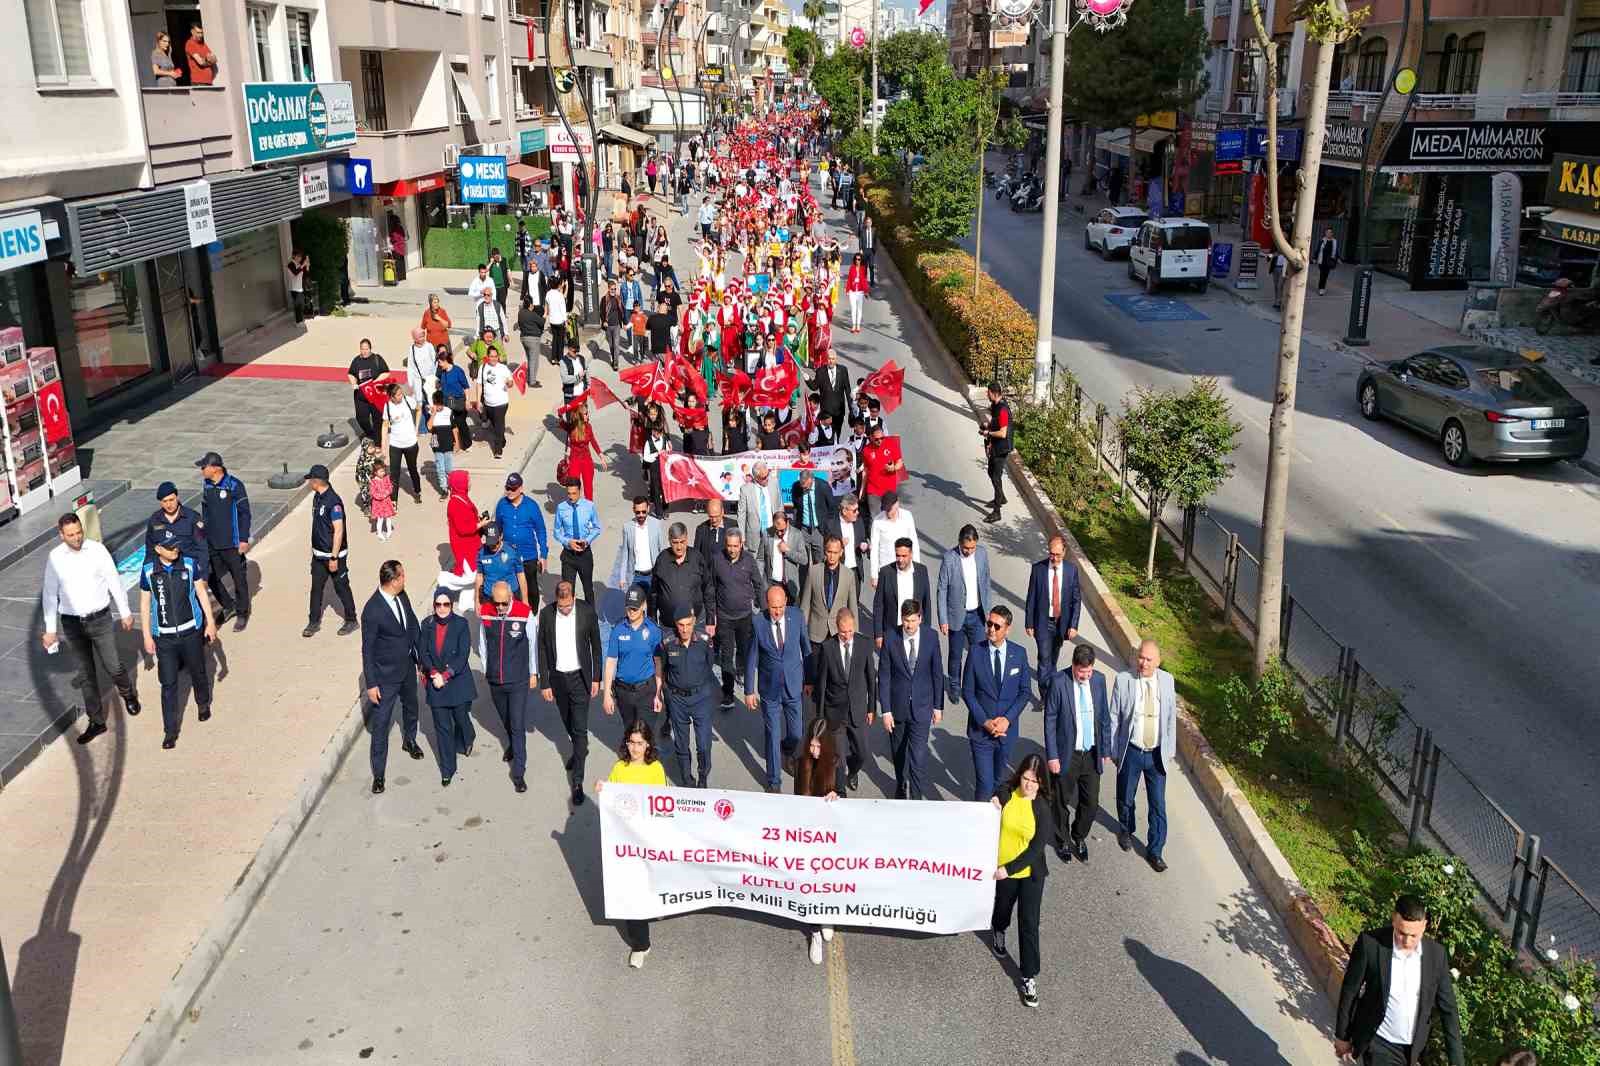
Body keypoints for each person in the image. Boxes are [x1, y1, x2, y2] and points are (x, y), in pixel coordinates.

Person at [41, 513, 141, 742]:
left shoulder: (97, 550)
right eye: (70, 535)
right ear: (61, 535)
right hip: (72, 624)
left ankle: (129, 694)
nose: (76, 538)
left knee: (113, 665)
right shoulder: (55, 558)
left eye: (78, 533)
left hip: (100, 619)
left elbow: (114, 580)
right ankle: (97, 721)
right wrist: (50, 629)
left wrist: (125, 612)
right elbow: (49, 593)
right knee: (86, 675)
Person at [1335, 894, 1464, 1066]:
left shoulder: (1436, 955)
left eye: (1414, 935)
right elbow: (1350, 990)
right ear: (1394, 919)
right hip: (1378, 1041)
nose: (1407, 941)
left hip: (1412, 1049)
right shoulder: (1371, 944)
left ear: (1424, 925)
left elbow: (1448, 1009)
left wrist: (1457, 1061)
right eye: (1402, 933)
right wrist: (1342, 1036)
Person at [594, 720, 667, 967]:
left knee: (647, 885)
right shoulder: (620, 767)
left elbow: (661, 804)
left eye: (640, 743)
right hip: (625, 843)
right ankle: (640, 945)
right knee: (629, 892)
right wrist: (603, 788)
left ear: (648, 745)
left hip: (647, 839)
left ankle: (652, 908)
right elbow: (613, 795)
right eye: (631, 742)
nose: (635, 748)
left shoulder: (655, 769)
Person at [989, 754, 1055, 1010]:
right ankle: (998, 929)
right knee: (1002, 908)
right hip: (1002, 871)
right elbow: (1003, 790)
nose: (1028, 785)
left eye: (1034, 782)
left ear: (1041, 784)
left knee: (1029, 924)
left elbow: (1036, 849)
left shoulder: (1042, 809)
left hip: (1028, 874)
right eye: (1026, 779)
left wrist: (1009, 868)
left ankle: (1028, 976)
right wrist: (998, 798)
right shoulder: (1009, 792)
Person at [1109, 639, 1178, 872]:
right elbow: (1114, 717)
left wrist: (1169, 752)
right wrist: (1114, 750)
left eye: (1149, 659)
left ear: (1158, 662)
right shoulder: (1124, 680)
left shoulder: (1167, 682)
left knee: (1158, 805)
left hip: (1156, 754)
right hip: (1132, 751)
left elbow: (1170, 719)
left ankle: (1155, 850)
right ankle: (1126, 830)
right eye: (1141, 657)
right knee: (1126, 796)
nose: (1143, 662)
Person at [536, 580, 604, 806]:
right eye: (561, 606)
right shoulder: (546, 615)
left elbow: (596, 645)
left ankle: (577, 781)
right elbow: (542, 648)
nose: (564, 610)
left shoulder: (586, 612)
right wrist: (544, 682)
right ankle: (578, 750)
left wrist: (596, 678)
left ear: (573, 598)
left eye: (568, 606)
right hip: (558, 680)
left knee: (579, 727)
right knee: (567, 723)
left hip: (580, 678)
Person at [360, 560, 424, 794]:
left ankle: (410, 739)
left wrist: (421, 659)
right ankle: (379, 774)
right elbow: (367, 649)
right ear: (394, 580)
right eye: (403, 576)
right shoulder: (373, 610)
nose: (405, 579)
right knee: (381, 724)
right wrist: (371, 683)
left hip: (407, 667)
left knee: (411, 705)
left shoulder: (402, 596)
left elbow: (412, 626)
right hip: (385, 676)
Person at [1044, 643, 1111, 862]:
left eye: (1088, 672)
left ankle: (1079, 835)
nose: (1085, 676)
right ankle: (1062, 839)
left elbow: (1104, 718)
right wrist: (1052, 756)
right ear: (1073, 666)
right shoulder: (1058, 682)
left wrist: (1106, 750)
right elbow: (1050, 720)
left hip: (1091, 754)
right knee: (1061, 800)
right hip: (1067, 754)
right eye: (1081, 672)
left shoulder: (1099, 681)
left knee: (1090, 802)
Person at [876, 599, 944, 801]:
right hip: (897, 708)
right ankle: (901, 783)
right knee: (898, 753)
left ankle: (915, 799)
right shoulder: (891, 637)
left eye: (913, 621)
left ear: (920, 619)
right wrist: (886, 711)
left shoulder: (931, 637)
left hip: (922, 708)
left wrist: (938, 706)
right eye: (906, 621)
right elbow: (885, 675)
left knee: (918, 758)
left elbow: (937, 673)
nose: (909, 625)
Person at [963, 606, 1030, 802]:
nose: (991, 629)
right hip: (981, 732)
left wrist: (1007, 720)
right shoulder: (976, 652)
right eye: (989, 624)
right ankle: (980, 825)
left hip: (1006, 734)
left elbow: (1025, 692)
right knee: (984, 784)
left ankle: (997, 824)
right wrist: (985, 721)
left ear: (1007, 629)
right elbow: (967, 691)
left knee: (999, 783)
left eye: (997, 626)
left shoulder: (1019, 654)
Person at [745, 585, 807, 794]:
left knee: (797, 733)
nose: (777, 612)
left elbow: (805, 648)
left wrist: (810, 680)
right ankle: (773, 782)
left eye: (780, 607)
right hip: (769, 688)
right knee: (772, 734)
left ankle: (788, 750)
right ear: (767, 604)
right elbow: (752, 657)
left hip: (793, 685)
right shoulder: (757, 622)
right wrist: (748, 690)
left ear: (786, 603)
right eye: (773, 608)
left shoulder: (797, 617)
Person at [478, 579, 537, 792]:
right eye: (497, 603)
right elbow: (483, 642)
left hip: (518, 679)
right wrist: (486, 668)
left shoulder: (524, 613)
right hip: (496, 679)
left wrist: (533, 672)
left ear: (511, 597)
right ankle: (511, 742)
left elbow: (533, 644)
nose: (501, 608)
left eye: (504, 603)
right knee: (506, 719)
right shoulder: (486, 611)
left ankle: (519, 772)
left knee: (517, 724)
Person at [794, 714, 845, 963]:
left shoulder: (836, 765)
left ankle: (828, 916)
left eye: (817, 747)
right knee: (810, 885)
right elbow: (796, 799)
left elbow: (845, 798)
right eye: (810, 745)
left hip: (829, 837)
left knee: (827, 881)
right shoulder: (801, 763)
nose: (813, 751)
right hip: (807, 837)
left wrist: (838, 797)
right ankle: (814, 932)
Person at [809, 606, 875, 793]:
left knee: (862, 753)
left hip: (858, 710)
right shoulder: (827, 648)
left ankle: (852, 772)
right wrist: (820, 718)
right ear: (837, 628)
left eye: (850, 631)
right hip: (834, 712)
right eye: (843, 632)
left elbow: (871, 679)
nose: (847, 635)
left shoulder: (864, 644)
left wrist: (871, 708)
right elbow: (821, 685)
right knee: (838, 757)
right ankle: (840, 792)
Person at [418, 586, 476, 787]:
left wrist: (446, 675)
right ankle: (447, 769)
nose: (442, 608)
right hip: (436, 684)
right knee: (442, 729)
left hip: (457, 681)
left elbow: (462, 655)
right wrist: (433, 673)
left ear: (452, 605)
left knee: (461, 718)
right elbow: (423, 652)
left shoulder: (461, 624)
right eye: (438, 604)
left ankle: (468, 735)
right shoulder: (427, 624)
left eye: (446, 604)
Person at [656, 601, 716, 786]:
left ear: (694, 622)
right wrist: (662, 693)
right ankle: (687, 780)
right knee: (681, 745)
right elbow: (662, 668)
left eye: (688, 624)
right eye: (681, 625)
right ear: (675, 624)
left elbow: (709, 665)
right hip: (677, 700)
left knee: (704, 744)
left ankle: (703, 777)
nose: (684, 629)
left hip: (701, 698)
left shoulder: (705, 641)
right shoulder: (667, 643)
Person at [707, 529, 763, 711]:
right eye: (729, 546)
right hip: (724, 617)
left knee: (745, 652)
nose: (732, 550)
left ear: (741, 545)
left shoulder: (748, 560)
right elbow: (711, 588)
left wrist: (763, 610)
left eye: (735, 546)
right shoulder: (717, 560)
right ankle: (728, 693)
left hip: (745, 616)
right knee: (726, 655)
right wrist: (711, 615)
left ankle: (741, 672)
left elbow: (758, 583)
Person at [195, 452, 251, 631]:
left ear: (216, 468)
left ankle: (242, 612)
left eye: (204, 467)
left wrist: (243, 539)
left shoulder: (234, 486)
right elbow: (205, 508)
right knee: (209, 575)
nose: (202, 470)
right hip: (212, 542)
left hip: (232, 543)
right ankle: (228, 605)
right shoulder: (207, 485)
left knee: (238, 578)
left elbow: (244, 513)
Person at [937, 525, 993, 703]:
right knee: (955, 655)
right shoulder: (949, 558)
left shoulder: (982, 554)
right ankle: (955, 686)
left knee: (978, 653)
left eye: (972, 548)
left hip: (977, 615)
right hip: (956, 616)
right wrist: (943, 619)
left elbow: (986, 583)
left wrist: (989, 611)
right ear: (959, 543)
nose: (969, 551)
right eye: (966, 548)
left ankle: (973, 686)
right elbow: (942, 589)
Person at [302, 464, 359, 637]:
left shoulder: (333, 502)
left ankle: (351, 619)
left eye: (310, 479)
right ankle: (313, 622)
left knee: (341, 587)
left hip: (334, 556)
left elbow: (338, 530)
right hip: (319, 555)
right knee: (316, 589)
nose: (308, 482)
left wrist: (334, 557)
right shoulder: (317, 497)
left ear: (316, 481)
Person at [1024, 536, 1080, 703]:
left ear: (1064, 552)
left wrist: (1073, 625)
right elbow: (1031, 597)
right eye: (1051, 554)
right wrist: (1029, 623)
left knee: (1053, 659)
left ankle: (1050, 683)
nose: (1054, 558)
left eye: (1058, 554)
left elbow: (1076, 600)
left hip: (1061, 624)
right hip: (1042, 622)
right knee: (1044, 658)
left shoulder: (1071, 571)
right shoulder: (1038, 569)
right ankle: (1046, 695)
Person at [603, 585, 663, 739]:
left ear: (644, 606)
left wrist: (658, 692)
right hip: (624, 692)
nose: (631, 612)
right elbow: (610, 662)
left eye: (635, 608)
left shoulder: (653, 631)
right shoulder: (618, 630)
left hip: (646, 691)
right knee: (630, 733)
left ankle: (648, 760)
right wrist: (607, 694)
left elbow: (658, 663)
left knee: (645, 735)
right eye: (629, 608)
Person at [495, 472, 548, 613]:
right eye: (507, 488)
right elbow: (497, 528)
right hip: (508, 555)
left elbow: (541, 530)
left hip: (528, 557)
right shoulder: (501, 505)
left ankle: (532, 616)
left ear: (521, 489)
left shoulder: (531, 506)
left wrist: (543, 555)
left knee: (531, 587)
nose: (509, 492)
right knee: (511, 587)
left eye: (513, 489)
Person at [797, 534, 857, 655]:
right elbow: (805, 605)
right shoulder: (813, 571)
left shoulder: (849, 574)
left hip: (838, 632)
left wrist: (854, 635)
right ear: (825, 551)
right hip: (816, 633)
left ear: (841, 553)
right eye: (829, 552)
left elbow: (853, 607)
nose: (832, 556)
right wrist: (802, 632)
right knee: (815, 670)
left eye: (835, 552)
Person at [872, 538, 931, 650]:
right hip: (893, 630)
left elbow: (926, 602)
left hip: (915, 629)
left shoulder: (922, 571)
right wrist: (878, 634)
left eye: (904, 556)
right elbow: (878, 605)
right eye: (898, 555)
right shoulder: (886, 573)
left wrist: (926, 630)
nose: (900, 559)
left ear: (911, 554)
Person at [144, 481, 207, 580]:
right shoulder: (154, 520)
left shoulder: (192, 517)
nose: (169, 505)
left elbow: (202, 548)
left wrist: (204, 576)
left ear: (177, 497)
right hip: (165, 573)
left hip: (190, 570)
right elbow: (150, 550)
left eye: (171, 500)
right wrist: (146, 575)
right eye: (164, 501)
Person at [553, 476, 602, 602]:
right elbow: (556, 532)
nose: (571, 497)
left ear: (580, 491)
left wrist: (587, 540)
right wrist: (567, 542)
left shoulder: (589, 506)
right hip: (568, 555)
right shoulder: (561, 508)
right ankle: (571, 619)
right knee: (567, 591)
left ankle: (591, 619)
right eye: (569, 493)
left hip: (584, 554)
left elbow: (597, 528)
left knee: (588, 588)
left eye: (574, 493)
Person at [611, 496, 664, 611]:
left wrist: (663, 575)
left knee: (652, 607)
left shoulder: (656, 524)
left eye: (643, 512)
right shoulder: (627, 527)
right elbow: (625, 553)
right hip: (635, 576)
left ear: (648, 509)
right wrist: (622, 577)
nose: (641, 515)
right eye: (638, 512)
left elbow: (661, 551)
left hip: (652, 574)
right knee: (634, 608)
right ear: (633, 510)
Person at [651, 522, 709, 628]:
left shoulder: (697, 558)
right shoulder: (662, 559)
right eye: (675, 542)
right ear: (669, 541)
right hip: (668, 624)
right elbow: (654, 592)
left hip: (694, 623)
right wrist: (653, 620)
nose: (679, 547)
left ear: (687, 539)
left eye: (682, 542)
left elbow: (708, 589)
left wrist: (710, 620)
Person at [379, 382, 422, 503]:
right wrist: (384, 446)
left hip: (410, 443)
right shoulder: (387, 406)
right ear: (391, 397)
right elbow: (384, 426)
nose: (400, 397)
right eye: (397, 395)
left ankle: (417, 491)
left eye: (401, 394)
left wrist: (416, 428)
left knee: (412, 468)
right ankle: (394, 500)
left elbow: (419, 409)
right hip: (395, 444)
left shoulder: (408, 401)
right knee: (394, 473)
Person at [757, 510, 807, 608]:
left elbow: (804, 560)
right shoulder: (767, 534)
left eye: (782, 530)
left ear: (787, 522)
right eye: (777, 529)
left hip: (790, 586)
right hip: (772, 583)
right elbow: (760, 558)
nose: (779, 533)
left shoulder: (797, 534)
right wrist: (761, 579)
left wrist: (788, 551)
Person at [980, 382, 1013, 523]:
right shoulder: (995, 406)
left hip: (1002, 448)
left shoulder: (1003, 410)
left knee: (996, 477)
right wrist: (987, 426)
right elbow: (996, 422)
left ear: (994, 393)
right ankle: (1001, 497)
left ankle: (997, 511)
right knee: (991, 472)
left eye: (988, 393)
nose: (986, 395)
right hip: (995, 447)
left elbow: (1003, 433)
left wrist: (988, 433)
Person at [473, 522, 528, 604]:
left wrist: (525, 600)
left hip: (511, 597)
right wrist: (477, 600)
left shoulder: (512, 551)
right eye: (490, 543)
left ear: (501, 536)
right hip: (489, 597)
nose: (492, 546)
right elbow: (479, 576)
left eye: (495, 543)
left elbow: (520, 575)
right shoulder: (481, 552)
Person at [347, 338, 389, 442]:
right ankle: (370, 433)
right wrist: (354, 383)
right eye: (362, 349)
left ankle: (378, 441)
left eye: (366, 349)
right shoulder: (356, 360)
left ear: (370, 348)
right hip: (361, 395)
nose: (364, 351)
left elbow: (386, 372)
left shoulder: (377, 359)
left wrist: (376, 381)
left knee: (377, 419)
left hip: (375, 394)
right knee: (361, 418)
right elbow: (351, 373)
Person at [477, 342, 514, 459]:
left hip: (501, 403)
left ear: (498, 357)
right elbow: (479, 385)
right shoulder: (482, 368)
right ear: (487, 357)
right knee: (495, 425)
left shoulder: (503, 368)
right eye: (491, 356)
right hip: (488, 403)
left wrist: (509, 383)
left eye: (495, 356)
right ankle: (501, 438)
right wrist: (478, 401)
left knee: (498, 426)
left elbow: (510, 382)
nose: (493, 359)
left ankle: (498, 450)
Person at [867, 490, 917, 577]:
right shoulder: (878, 521)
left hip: (905, 568)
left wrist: (916, 567)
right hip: (886, 570)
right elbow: (874, 550)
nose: (887, 512)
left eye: (889, 509)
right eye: (885, 509)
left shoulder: (907, 516)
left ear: (897, 504)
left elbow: (914, 542)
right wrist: (874, 574)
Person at [563, 407, 605, 501]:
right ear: (580, 416)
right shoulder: (571, 427)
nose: (588, 415)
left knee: (588, 487)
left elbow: (593, 441)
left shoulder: (588, 427)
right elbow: (561, 424)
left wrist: (601, 456)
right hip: (574, 460)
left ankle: (589, 509)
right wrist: (560, 415)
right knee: (574, 486)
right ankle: (575, 507)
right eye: (585, 414)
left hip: (587, 460)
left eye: (587, 413)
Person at [738, 462, 779, 548]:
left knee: (771, 559)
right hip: (754, 536)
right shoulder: (745, 489)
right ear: (756, 478)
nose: (767, 479)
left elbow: (779, 506)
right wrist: (742, 536)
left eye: (768, 475)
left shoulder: (774, 483)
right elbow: (741, 515)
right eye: (764, 478)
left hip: (772, 531)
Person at [811, 349, 851, 433]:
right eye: (829, 359)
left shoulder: (843, 370)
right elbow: (814, 387)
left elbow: (847, 389)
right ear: (826, 359)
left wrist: (851, 408)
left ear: (836, 359)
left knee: (837, 432)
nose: (831, 361)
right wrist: (807, 379)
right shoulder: (820, 371)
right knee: (827, 434)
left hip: (839, 410)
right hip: (826, 410)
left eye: (833, 359)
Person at [694, 497, 737, 568]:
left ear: (722, 512)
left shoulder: (733, 526)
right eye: (711, 516)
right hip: (708, 574)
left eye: (717, 516)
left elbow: (739, 553)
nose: (714, 520)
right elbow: (697, 555)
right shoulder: (701, 529)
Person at [517, 293, 544, 385]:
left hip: (523, 338)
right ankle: (532, 381)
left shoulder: (520, 313)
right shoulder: (531, 314)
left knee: (530, 359)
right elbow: (541, 322)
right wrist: (545, 315)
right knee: (534, 360)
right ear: (531, 305)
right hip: (533, 339)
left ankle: (530, 378)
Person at [599, 280, 626, 367]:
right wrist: (604, 321)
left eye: (615, 289)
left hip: (617, 325)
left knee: (616, 344)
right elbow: (601, 312)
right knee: (611, 345)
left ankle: (615, 363)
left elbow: (622, 311)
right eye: (612, 289)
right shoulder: (604, 299)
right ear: (608, 289)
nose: (613, 291)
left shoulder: (618, 298)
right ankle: (613, 356)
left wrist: (624, 323)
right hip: (608, 326)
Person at [367, 460, 396, 540]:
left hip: (386, 502)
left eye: (384, 470)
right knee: (380, 519)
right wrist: (381, 496)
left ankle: (389, 530)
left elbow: (390, 487)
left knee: (388, 517)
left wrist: (387, 493)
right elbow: (373, 493)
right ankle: (379, 533)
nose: (383, 472)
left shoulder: (386, 478)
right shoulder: (373, 482)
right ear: (375, 472)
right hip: (378, 503)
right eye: (381, 471)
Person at [546, 277, 570, 363]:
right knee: (560, 341)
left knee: (555, 339)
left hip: (552, 320)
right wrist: (566, 322)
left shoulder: (548, 294)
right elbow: (563, 310)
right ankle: (560, 358)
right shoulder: (560, 296)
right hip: (560, 321)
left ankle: (553, 358)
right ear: (558, 285)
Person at [845, 253, 869, 333]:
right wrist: (847, 290)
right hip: (852, 291)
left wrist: (866, 291)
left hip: (860, 292)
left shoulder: (863, 268)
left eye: (859, 259)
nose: (857, 261)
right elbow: (849, 279)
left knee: (859, 309)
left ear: (861, 260)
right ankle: (853, 325)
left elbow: (865, 281)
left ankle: (858, 325)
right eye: (856, 259)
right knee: (853, 309)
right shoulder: (851, 268)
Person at [286, 248, 310, 323]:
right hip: (294, 288)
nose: (300, 258)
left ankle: (300, 320)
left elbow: (305, 274)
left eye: (300, 256)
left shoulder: (299, 264)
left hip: (300, 287)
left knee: (301, 305)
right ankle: (298, 322)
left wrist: (307, 266)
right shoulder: (290, 264)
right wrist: (303, 265)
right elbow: (295, 273)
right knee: (298, 306)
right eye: (298, 256)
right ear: (294, 256)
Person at [1316, 226, 1340, 295]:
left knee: (1325, 275)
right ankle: (1321, 288)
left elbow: (1336, 251)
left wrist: (1338, 258)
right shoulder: (1322, 240)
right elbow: (1318, 249)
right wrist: (1314, 258)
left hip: (1329, 261)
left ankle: (1321, 287)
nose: (1328, 233)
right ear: (1325, 233)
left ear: (1332, 233)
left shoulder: (1334, 241)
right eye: (1327, 232)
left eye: (1330, 232)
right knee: (1322, 275)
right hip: (1322, 260)